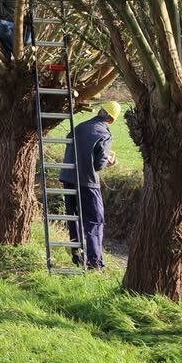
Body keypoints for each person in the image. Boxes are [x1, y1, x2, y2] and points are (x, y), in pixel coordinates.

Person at [58, 101, 121, 269]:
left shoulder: (79, 126)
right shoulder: (105, 134)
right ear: (112, 120)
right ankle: (95, 262)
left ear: (100, 111)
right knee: (95, 220)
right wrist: (110, 162)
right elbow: (99, 164)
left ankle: (78, 257)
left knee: (74, 219)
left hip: (68, 178)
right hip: (87, 182)